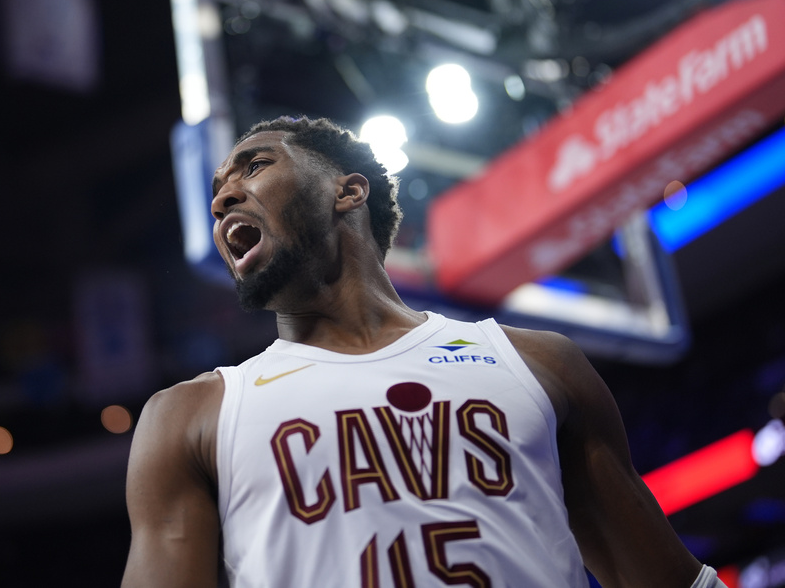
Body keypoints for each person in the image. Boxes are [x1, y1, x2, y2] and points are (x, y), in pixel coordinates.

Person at [121, 116, 725, 588]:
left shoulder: (537, 363)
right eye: (218, 189)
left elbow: (668, 581)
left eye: (253, 167)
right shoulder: (190, 416)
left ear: (347, 190)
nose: (224, 197)